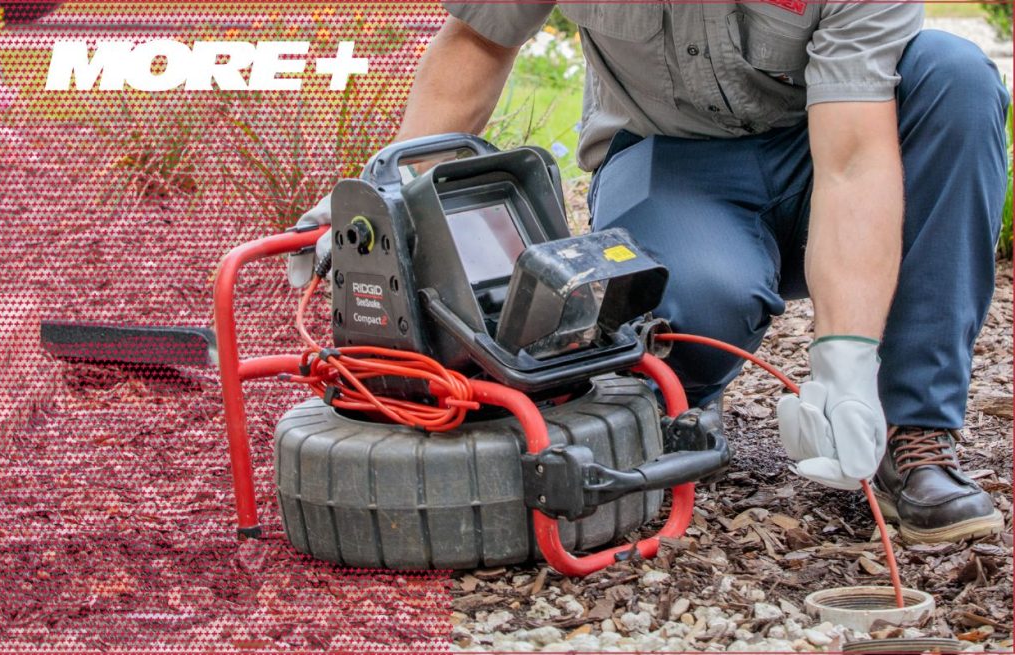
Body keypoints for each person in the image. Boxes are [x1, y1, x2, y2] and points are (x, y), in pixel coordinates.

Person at [292, 2, 1010, 544]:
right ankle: (688, 394)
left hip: (836, 149)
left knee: (955, 79)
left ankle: (914, 430)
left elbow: (852, 161)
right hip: (671, 158)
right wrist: (381, 199)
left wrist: (845, 360)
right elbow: (481, 39)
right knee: (689, 302)